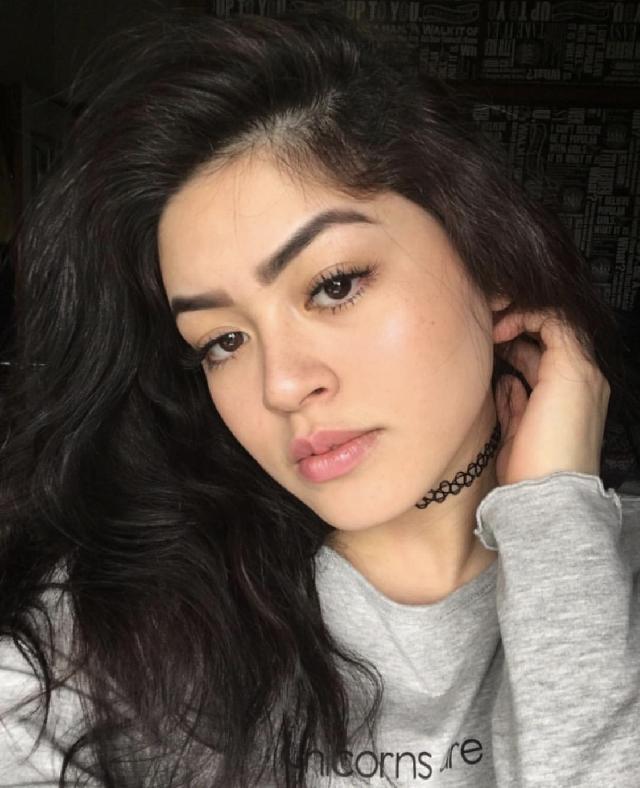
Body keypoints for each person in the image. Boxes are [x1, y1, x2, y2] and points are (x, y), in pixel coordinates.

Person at [0, 9, 639, 788]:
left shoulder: (612, 582)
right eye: (222, 341)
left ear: (491, 262)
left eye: (334, 285)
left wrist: (553, 523)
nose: (280, 385)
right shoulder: (116, 627)